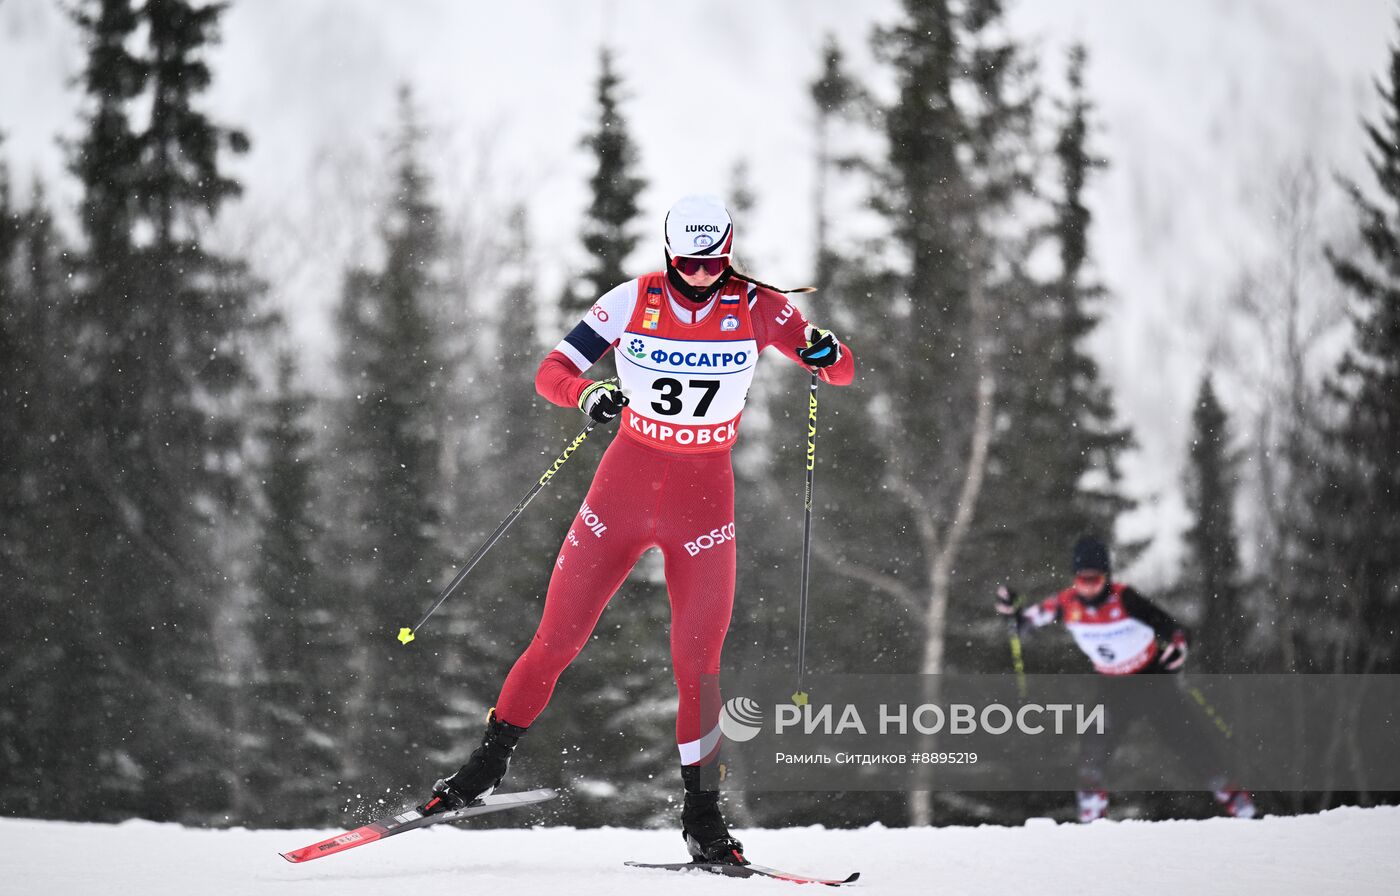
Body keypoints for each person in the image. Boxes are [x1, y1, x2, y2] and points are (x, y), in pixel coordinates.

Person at [417, 195, 855, 864]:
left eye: (714, 262)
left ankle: (703, 818)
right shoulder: (631, 300)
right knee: (556, 641)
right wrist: (586, 393)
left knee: (697, 670)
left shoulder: (762, 308)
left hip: (704, 508)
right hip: (619, 495)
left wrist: (826, 351)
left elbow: (842, 368)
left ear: (728, 253)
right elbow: (552, 371)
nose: (703, 274)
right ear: (668, 254)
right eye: (688, 262)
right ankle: (480, 772)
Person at [995, 535, 1256, 822]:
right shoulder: (1065, 603)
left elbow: (1173, 629)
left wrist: (1178, 647)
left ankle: (1235, 799)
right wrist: (1011, 609)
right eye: (1083, 579)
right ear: (1075, 578)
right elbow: (1023, 624)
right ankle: (1092, 813)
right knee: (1093, 745)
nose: (1089, 587)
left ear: (1107, 577)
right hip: (1113, 687)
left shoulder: (1125, 598)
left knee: (1187, 740)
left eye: (1095, 579)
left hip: (1151, 679)